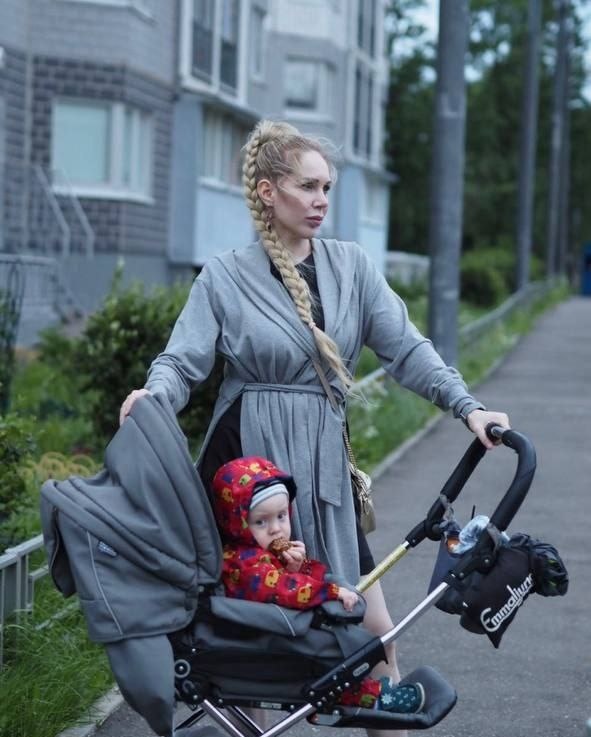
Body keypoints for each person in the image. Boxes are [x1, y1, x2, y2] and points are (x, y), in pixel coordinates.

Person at [119, 119, 510, 737]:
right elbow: (181, 362)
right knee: (252, 647)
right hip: (248, 474)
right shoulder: (225, 275)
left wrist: (468, 407)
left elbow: (407, 349)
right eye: (307, 186)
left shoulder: (352, 267)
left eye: (327, 186)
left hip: (322, 470)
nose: (322, 199)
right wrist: (152, 395)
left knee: (376, 635)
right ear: (268, 191)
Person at [212, 454, 425, 714]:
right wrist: (332, 592)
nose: (276, 529)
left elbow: (290, 582)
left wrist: (298, 567)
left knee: (343, 641)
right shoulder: (244, 563)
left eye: (281, 516)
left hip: (281, 632)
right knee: (334, 652)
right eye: (261, 522)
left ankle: (373, 692)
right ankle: (374, 699)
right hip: (268, 642)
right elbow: (286, 590)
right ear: (238, 524)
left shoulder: (263, 555)